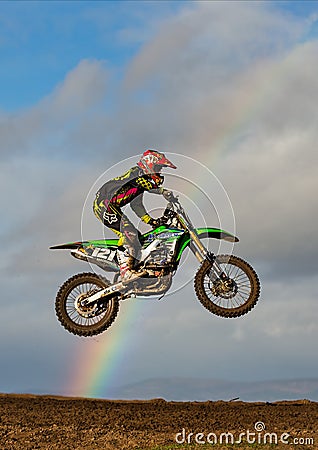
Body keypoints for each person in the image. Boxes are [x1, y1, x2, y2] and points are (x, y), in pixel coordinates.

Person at [93, 150, 177, 280]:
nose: (159, 172)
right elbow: (143, 183)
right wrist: (162, 191)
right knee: (129, 234)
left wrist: (151, 221)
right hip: (103, 204)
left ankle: (128, 265)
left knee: (137, 238)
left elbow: (136, 205)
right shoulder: (136, 174)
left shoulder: (139, 184)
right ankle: (126, 272)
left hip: (111, 206)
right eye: (158, 168)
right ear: (149, 164)